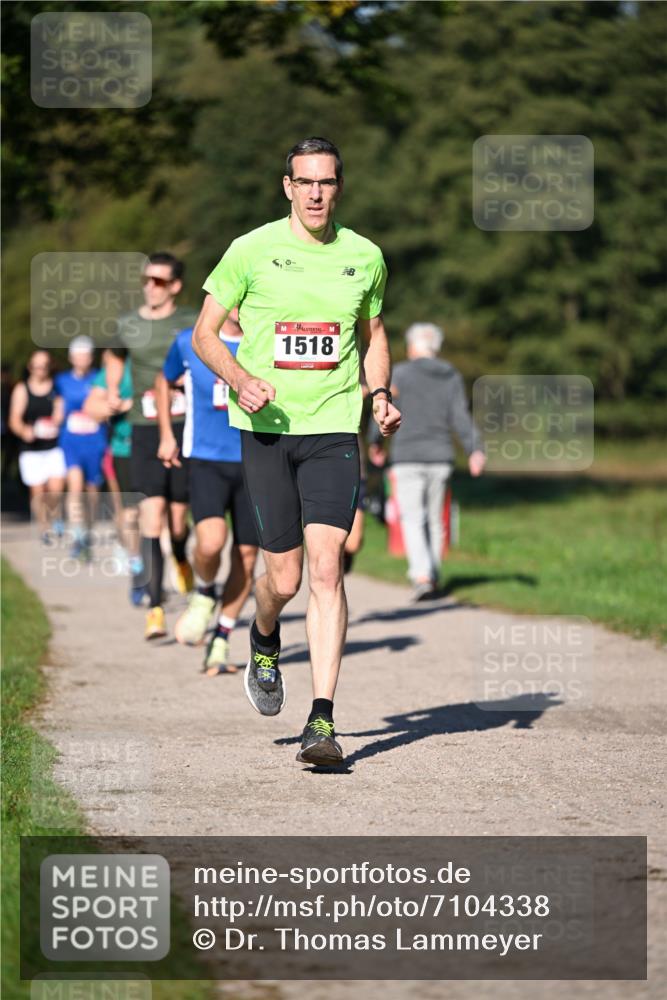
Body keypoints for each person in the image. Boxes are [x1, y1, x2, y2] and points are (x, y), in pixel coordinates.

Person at [193, 136, 401, 766]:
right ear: (287, 186)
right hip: (266, 429)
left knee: (327, 568)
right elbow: (206, 334)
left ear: (340, 186)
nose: (316, 193)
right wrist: (239, 379)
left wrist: (382, 391)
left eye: (327, 182)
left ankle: (322, 721)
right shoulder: (250, 250)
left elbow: (375, 335)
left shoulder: (364, 257)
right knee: (280, 578)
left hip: (335, 428)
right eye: (305, 182)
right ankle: (262, 635)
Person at [156, 308, 259, 674]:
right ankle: (204, 591)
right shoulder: (190, 340)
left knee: (247, 556)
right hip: (205, 458)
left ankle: (222, 637)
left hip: (257, 461)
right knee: (212, 542)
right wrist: (167, 434)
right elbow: (163, 381)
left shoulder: (265, 341)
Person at [105, 253, 198, 640]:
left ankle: (180, 557)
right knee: (151, 516)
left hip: (184, 426)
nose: (149, 286)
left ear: (175, 286)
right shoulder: (127, 323)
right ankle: (155, 606)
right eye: (146, 279)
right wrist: (113, 391)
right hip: (143, 428)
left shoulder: (190, 320)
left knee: (178, 522)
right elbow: (113, 354)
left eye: (158, 281)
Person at [369, 321, 485, 600]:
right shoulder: (451, 376)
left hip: (407, 456)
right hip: (441, 457)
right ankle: (431, 573)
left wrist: (376, 441)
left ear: (411, 347)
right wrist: (474, 449)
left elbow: (383, 407)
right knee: (436, 519)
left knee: (412, 517)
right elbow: (460, 416)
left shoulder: (401, 374)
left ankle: (422, 575)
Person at [84, 351, 145, 605]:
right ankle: (138, 564)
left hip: (162, 449)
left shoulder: (160, 356)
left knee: (161, 514)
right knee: (129, 512)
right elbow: (91, 409)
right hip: (124, 449)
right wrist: (117, 405)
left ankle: (170, 558)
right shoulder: (115, 368)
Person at [55, 336, 107, 559]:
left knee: (92, 493)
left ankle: (88, 530)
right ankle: (77, 536)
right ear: (71, 357)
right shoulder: (62, 381)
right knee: (75, 487)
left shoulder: (99, 378)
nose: (82, 359)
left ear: (91, 357)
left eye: (85, 354)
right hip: (71, 442)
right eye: (78, 355)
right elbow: (58, 409)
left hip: (96, 442)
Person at [8, 350, 65, 540]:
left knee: (56, 489)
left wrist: (58, 419)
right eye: (37, 365)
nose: (41, 369)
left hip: (53, 446)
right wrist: (25, 431)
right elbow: (14, 420)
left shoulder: (56, 388)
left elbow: (60, 411)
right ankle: (44, 526)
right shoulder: (22, 389)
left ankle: (56, 516)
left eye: (44, 365)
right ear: (30, 367)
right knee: (38, 491)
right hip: (31, 449)